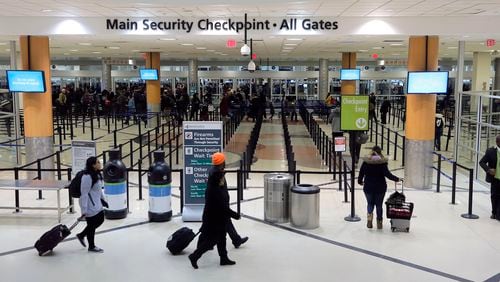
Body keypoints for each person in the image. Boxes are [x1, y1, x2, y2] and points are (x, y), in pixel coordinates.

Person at [188, 153, 241, 269]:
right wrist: (234, 215)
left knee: (222, 237)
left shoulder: (215, 174)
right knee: (212, 240)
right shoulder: (216, 181)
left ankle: (223, 258)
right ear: (221, 163)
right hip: (214, 217)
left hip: (217, 216)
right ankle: (195, 256)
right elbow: (221, 205)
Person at [358, 146, 401, 229]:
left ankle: (369, 221)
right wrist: (397, 179)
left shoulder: (366, 162)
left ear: (371, 152)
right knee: (379, 205)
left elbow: (361, 173)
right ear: (380, 152)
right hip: (380, 188)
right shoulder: (382, 163)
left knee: (370, 204)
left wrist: (360, 181)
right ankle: (379, 222)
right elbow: (388, 174)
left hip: (368, 187)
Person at [76, 157, 108, 253]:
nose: (100, 163)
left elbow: (98, 189)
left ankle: (81, 235)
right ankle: (91, 246)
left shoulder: (97, 174)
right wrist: (84, 210)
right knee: (91, 225)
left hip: (96, 204)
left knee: (100, 220)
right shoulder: (87, 177)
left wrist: (103, 200)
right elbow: (84, 194)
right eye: (98, 162)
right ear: (93, 165)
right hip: (89, 205)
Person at [479, 135, 500, 220]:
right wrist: (488, 170)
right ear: (497, 142)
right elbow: (482, 162)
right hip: (495, 178)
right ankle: (494, 212)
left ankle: (498, 214)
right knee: (494, 195)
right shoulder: (490, 151)